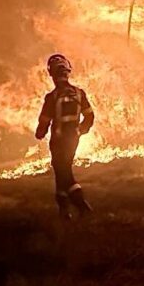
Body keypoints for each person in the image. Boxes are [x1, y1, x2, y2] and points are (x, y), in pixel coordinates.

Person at [35, 53, 95, 219]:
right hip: (73, 140)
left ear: (52, 74)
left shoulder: (52, 97)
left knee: (63, 173)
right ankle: (63, 211)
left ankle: (81, 205)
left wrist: (40, 133)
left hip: (58, 141)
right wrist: (80, 131)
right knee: (62, 170)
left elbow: (44, 121)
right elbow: (89, 116)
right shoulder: (79, 93)